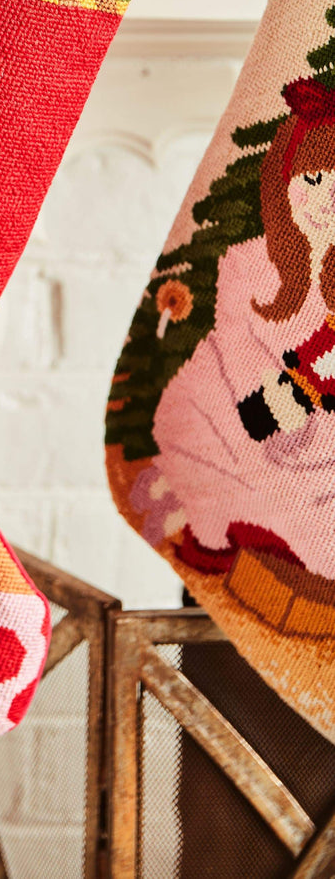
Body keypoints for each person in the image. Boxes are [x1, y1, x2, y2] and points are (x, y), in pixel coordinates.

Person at [145, 77, 335, 601]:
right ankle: (223, 526)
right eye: (312, 179)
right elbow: (236, 365)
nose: (324, 200)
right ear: (284, 180)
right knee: (207, 432)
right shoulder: (247, 262)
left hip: (312, 432)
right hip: (234, 413)